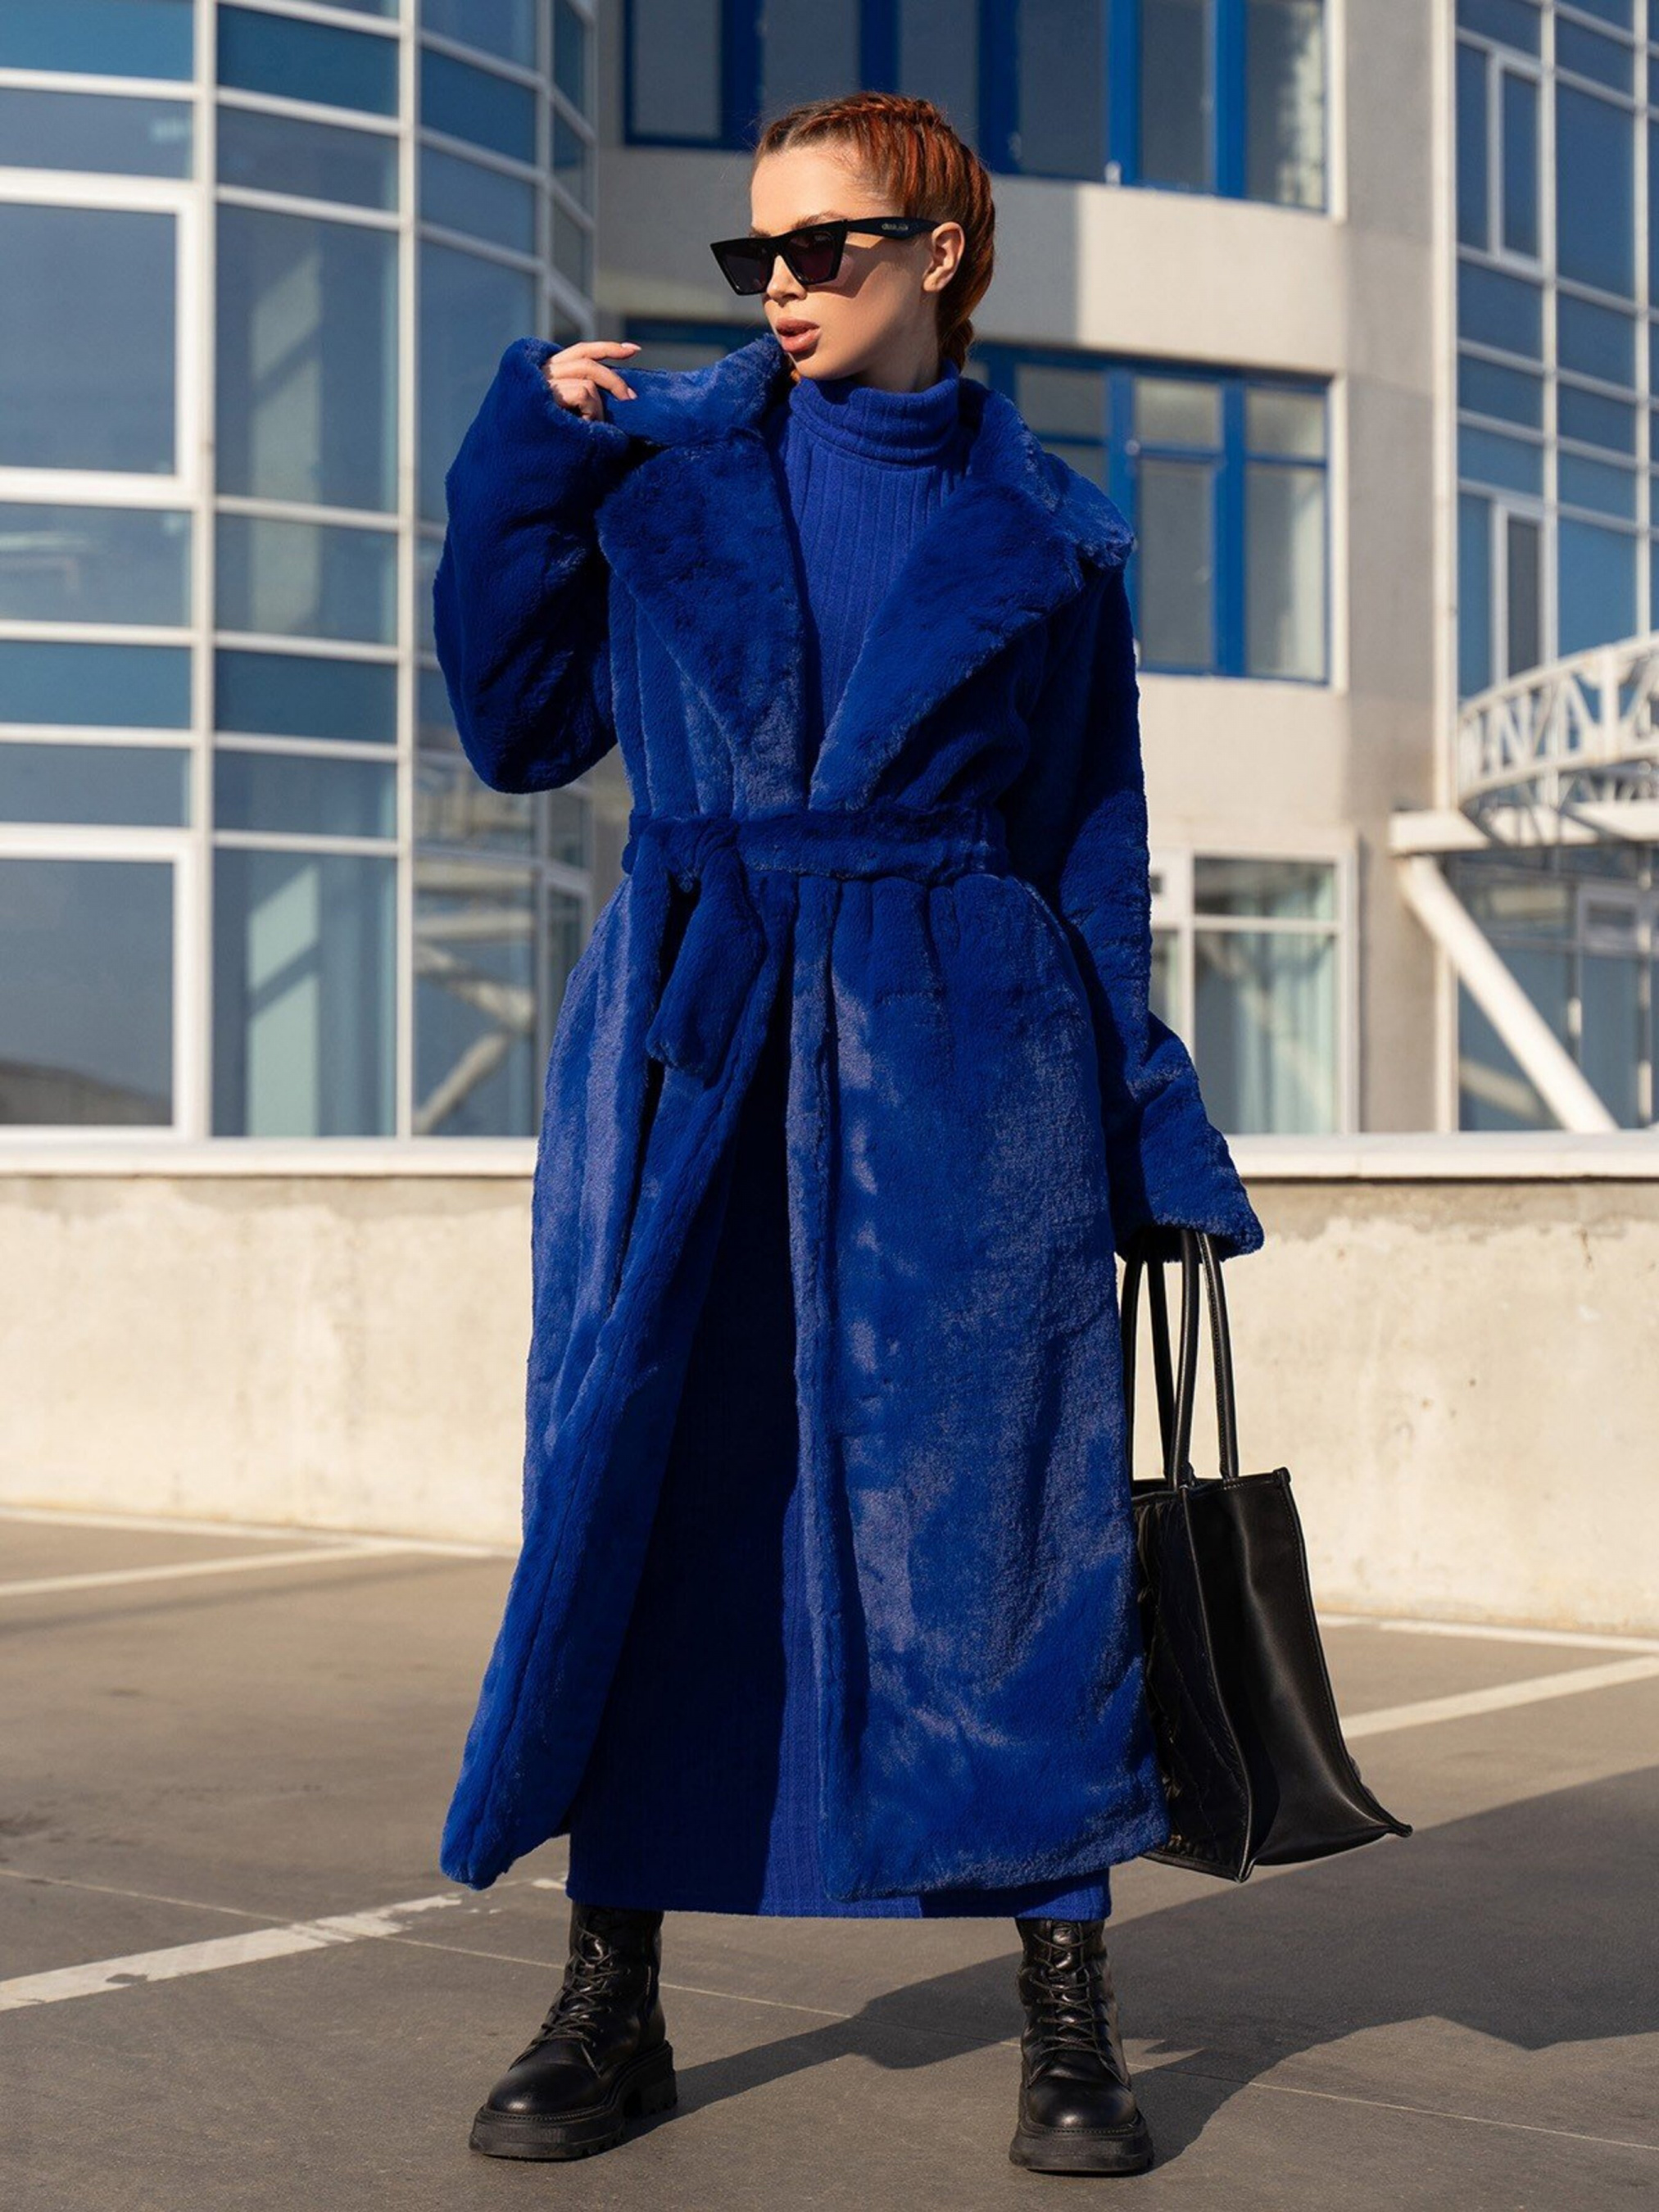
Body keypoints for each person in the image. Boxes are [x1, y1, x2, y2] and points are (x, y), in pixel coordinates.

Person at [432, 90, 1264, 2181]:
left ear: (939, 254)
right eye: (756, 257)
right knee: (641, 1493)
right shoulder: (656, 476)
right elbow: (518, 731)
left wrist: (1141, 1133)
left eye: (821, 248)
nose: (780, 289)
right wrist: (525, 458)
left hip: (962, 1060)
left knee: (1004, 1526)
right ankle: (611, 1992)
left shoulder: (1052, 538)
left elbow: (1089, 851)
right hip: (691, 1046)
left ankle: (1064, 2005)